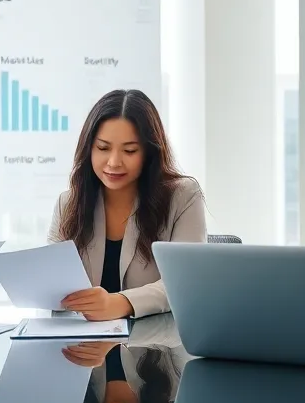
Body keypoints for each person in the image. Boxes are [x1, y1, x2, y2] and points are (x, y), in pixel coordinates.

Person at [48, 90, 206, 320]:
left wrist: (120, 303)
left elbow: (187, 280)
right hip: (83, 348)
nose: (114, 162)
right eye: (103, 148)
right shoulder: (68, 203)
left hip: (157, 348)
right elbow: (51, 283)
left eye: (130, 150)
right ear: (89, 148)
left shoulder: (183, 196)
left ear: (149, 152)